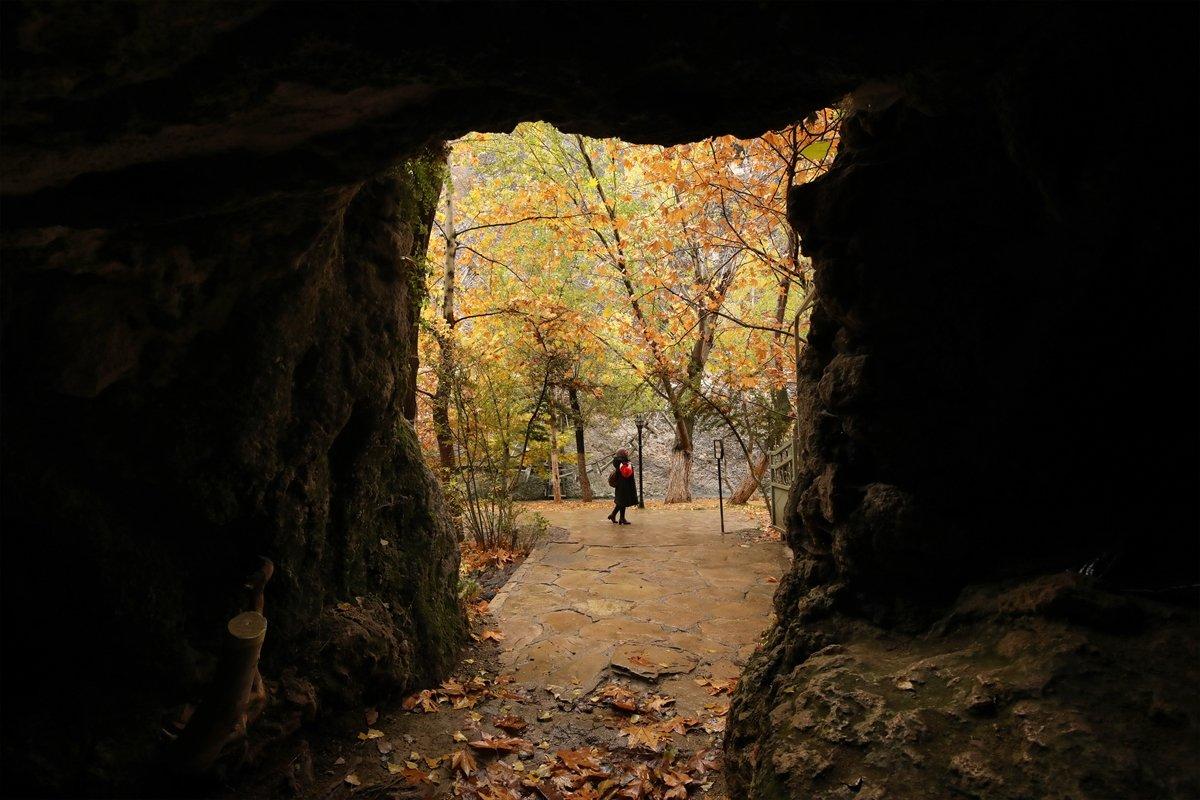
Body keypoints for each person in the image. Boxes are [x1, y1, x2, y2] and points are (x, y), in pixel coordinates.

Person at [607, 448, 638, 525]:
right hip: (623, 485)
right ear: (622, 454)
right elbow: (626, 473)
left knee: (622, 502)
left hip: (622, 485)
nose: (627, 452)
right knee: (622, 502)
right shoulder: (622, 462)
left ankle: (617, 517)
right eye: (625, 451)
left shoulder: (621, 461)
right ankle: (620, 518)